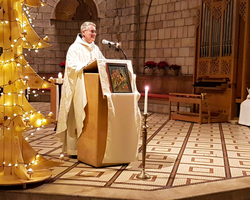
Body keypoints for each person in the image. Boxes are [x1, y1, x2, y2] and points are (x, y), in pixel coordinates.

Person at [56, 22, 105, 156]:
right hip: (79, 88)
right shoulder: (74, 48)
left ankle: (89, 146)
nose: (94, 34)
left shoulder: (96, 49)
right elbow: (72, 66)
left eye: (95, 31)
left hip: (93, 90)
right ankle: (74, 149)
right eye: (91, 31)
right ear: (83, 32)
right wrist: (86, 65)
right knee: (76, 116)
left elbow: (103, 63)